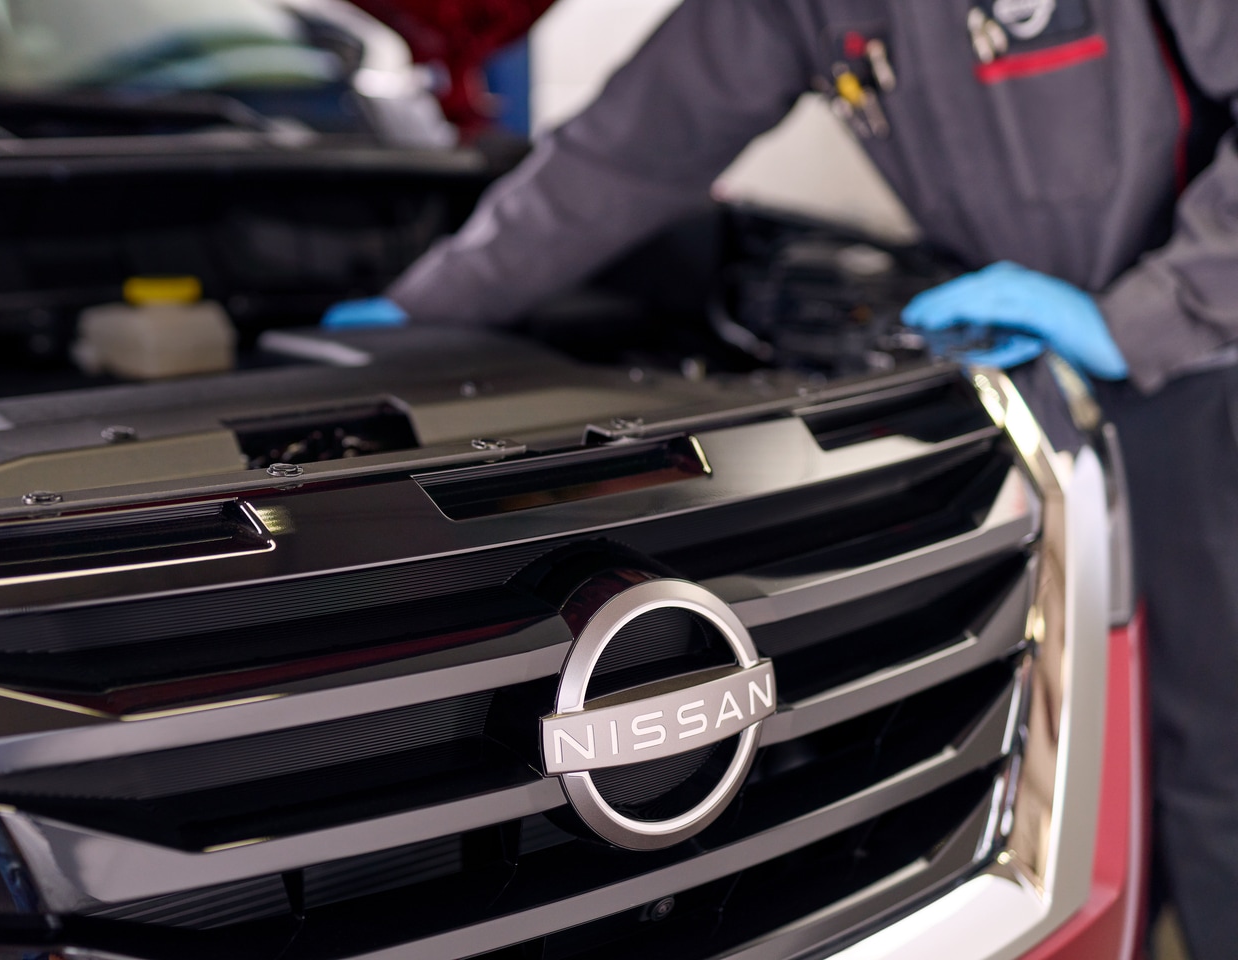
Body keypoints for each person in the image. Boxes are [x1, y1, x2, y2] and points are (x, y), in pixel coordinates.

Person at [326, 3, 1238, 955]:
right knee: (1093, 752)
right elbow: (628, 148)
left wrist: (1149, 314)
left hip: (1199, 376)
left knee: (1214, 755)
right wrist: (424, 309)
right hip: (1014, 378)